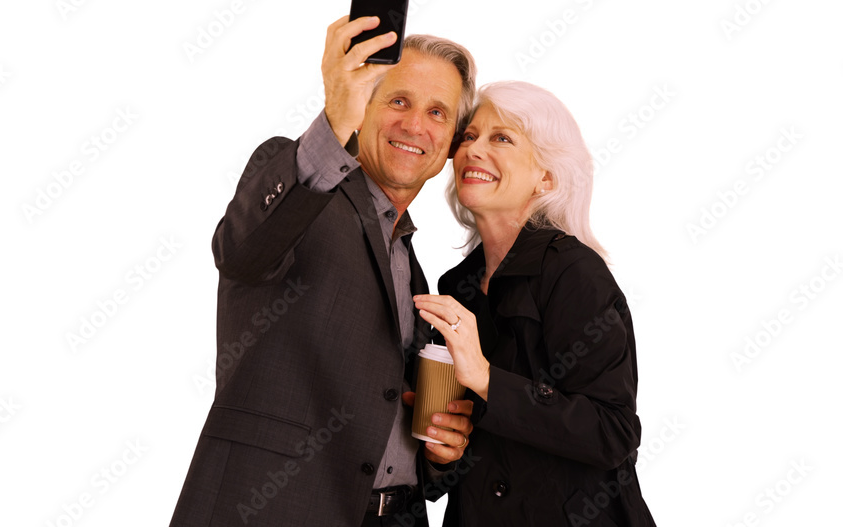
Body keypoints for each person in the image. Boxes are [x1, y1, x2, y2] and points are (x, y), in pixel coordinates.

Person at [170, 16, 478, 527]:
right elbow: (240, 251)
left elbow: (382, 413)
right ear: (364, 108)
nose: (414, 124)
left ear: (447, 146)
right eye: (398, 101)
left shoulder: (413, 266)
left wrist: (438, 454)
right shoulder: (304, 191)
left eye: (437, 112)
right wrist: (333, 121)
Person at [413, 81, 656, 526]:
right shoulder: (456, 286)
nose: (473, 150)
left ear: (546, 176)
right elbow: (445, 471)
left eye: (501, 138)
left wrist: (487, 380)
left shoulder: (573, 272)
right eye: (469, 137)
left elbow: (613, 433)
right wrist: (442, 454)